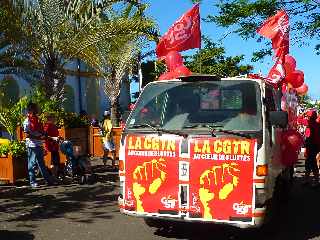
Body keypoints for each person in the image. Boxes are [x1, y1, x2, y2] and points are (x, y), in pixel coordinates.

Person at [23, 102, 54, 187]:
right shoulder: (27, 121)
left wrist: (44, 135)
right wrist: (39, 138)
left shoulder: (37, 119)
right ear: (32, 110)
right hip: (32, 145)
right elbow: (27, 135)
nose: (38, 109)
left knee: (41, 164)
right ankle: (32, 182)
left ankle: (48, 180)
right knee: (32, 164)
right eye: (36, 108)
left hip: (39, 144)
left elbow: (40, 130)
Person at [304, 110, 320, 185]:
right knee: (309, 163)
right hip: (313, 146)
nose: (307, 118)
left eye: (308, 116)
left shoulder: (311, 123)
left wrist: (303, 113)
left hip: (312, 146)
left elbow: (299, 120)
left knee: (311, 163)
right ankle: (308, 180)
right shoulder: (316, 124)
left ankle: (316, 181)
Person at [44, 113, 60, 179]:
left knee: (56, 161)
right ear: (50, 118)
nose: (55, 119)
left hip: (55, 146)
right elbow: (45, 136)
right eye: (54, 117)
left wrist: (58, 137)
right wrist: (54, 138)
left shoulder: (54, 125)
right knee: (53, 162)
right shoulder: (47, 126)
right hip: (50, 147)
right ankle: (53, 176)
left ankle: (55, 176)